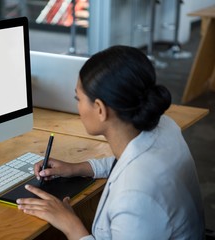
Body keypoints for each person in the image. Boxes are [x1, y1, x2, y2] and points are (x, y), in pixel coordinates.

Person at [16, 45, 204, 239]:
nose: (77, 106)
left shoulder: (135, 197)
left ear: (100, 109)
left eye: (77, 98)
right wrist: (78, 168)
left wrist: (71, 225)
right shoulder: (164, 126)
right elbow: (128, 162)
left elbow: (134, 176)